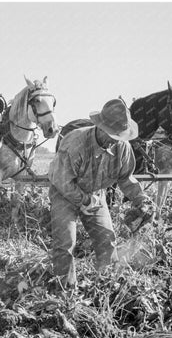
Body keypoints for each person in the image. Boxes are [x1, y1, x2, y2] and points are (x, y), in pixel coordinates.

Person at [48, 98, 154, 289]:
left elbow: (125, 178)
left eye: (119, 135)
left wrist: (141, 200)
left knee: (107, 240)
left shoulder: (123, 148)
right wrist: (85, 200)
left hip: (95, 194)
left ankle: (105, 287)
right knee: (65, 244)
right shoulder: (75, 143)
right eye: (112, 134)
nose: (115, 140)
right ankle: (64, 293)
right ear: (100, 127)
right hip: (64, 194)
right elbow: (62, 181)